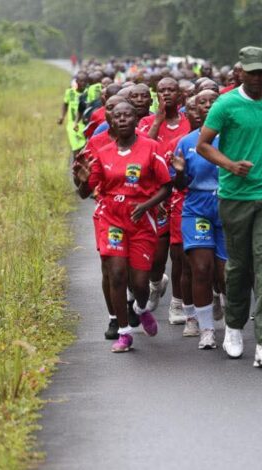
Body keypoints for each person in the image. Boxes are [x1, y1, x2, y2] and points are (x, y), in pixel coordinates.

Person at [196, 46, 262, 370]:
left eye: (261, 72)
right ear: (240, 71)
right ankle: (234, 326)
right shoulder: (225, 104)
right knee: (239, 267)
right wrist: (229, 165)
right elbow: (203, 145)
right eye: (251, 72)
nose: (256, 78)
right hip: (235, 196)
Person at [73, 101, 172, 352]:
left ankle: (141, 308)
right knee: (116, 273)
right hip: (112, 219)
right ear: (112, 123)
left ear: (136, 120)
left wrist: (145, 205)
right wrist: (82, 182)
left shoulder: (151, 148)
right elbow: (85, 194)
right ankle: (125, 333)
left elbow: (166, 186)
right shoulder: (103, 153)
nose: (123, 119)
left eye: (128, 115)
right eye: (117, 116)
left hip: (140, 220)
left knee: (139, 282)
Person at [170, 90, 227, 349]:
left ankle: (233, 324)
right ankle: (206, 330)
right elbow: (178, 183)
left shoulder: (236, 137)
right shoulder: (186, 142)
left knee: (226, 274)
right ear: (192, 110)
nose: (206, 106)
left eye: (212, 101)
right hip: (197, 207)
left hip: (229, 206)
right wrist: (180, 173)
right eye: (200, 103)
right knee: (201, 269)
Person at [140, 77, 192, 325]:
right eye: (162, 91)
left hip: (182, 192)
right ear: (156, 95)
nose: (167, 94)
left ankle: (177, 303)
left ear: (180, 94)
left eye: (172, 89)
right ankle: (155, 282)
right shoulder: (147, 122)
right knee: (157, 256)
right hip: (155, 196)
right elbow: (142, 151)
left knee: (179, 253)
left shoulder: (189, 121)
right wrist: (158, 120)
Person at [59, 72, 88, 157]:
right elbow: (65, 104)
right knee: (75, 146)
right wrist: (62, 116)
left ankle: (82, 165)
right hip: (72, 123)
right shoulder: (70, 92)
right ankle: (76, 167)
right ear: (76, 81)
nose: (83, 83)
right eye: (81, 81)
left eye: (85, 81)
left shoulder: (88, 93)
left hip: (84, 124)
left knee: (83, 146)